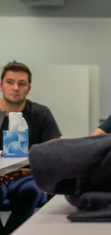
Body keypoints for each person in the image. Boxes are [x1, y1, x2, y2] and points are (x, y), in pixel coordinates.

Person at [0, 61, 62, 235]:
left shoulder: (40, 113)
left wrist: (31, 170)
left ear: (29, 88)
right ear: (1, 85)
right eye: (10, 82)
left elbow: (55, 151)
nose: (15, 88)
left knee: (33, 190)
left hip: (26, 176)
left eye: (21, 84)